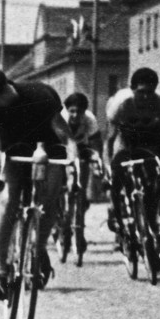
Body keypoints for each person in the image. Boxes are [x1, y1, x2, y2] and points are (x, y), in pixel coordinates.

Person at [0, 61, 70, 299]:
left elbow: (62, 132)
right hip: (14, 150)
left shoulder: (40, 94)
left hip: (48, 148)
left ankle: (38, 250)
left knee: (49, 200)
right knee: (7, 199)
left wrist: (72, 159)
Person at [105, 68, 160, 261]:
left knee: (153, 183)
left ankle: (150, 221)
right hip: (124, 141)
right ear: (132, 89)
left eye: (149, 92)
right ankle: (120, 224)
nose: (145, 96)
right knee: (117, 179)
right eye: (141, 91)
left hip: (147, 142)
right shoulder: (121, 103)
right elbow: (109, 140)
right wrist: (108, 166)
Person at [61, 93, 100, 256]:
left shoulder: (90, 120)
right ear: (67, 110)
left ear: (85, 111)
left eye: (79, 112)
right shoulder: (61, 118)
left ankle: (79, 232)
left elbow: (96, 144)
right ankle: (62, 223)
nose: (75, 115)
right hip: (62, 147)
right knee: (62, 188)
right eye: (72, 111)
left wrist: (97, 162)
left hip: (82, 148)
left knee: (81, 190)